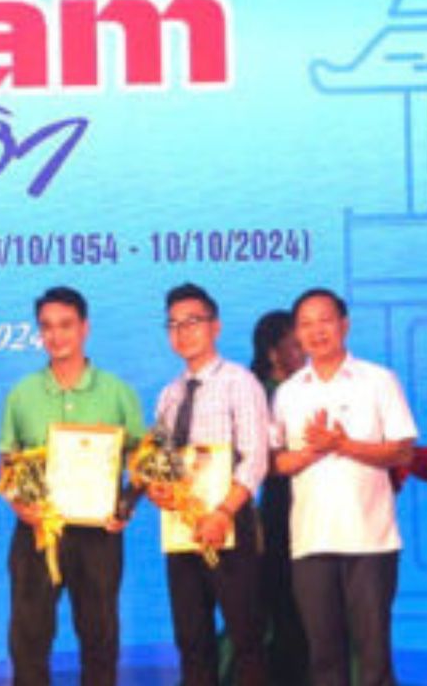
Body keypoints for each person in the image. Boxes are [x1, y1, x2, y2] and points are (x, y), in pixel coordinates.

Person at [0, 284, 145, 686]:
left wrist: (126, 506)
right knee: (28, 641)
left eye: (65, 325)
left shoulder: (117, 392)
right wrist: (20, 506)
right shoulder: (22, 394)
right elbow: (7, 462)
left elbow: (142, 462)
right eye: (46, 326)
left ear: (84, 328)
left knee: (99, 639)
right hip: (37, 532)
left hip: (99, 534)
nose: (56, 335)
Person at [270, 288, 417, 686]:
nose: (316, 331)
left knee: (373, 658)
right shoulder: (288, 392)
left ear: (344, 325)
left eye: (325, 320)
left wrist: (343, 445)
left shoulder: (378, 380)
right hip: (311, 542)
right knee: (323, 658)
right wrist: (310, 453)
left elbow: (403, 451)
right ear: (296, 333)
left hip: (370, 541)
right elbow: (276, 462)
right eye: (306, 324)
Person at [148, 283, 271, 686]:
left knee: (246, 638)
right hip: (182, 529)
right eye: (173, 325)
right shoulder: (169, 395)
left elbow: (255, 458)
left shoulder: (240, 382)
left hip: (230, 525)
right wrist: (156, 486)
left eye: (192, 322)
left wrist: (223, 512)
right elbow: (162, 462)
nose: (182, 332)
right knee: (191, 640)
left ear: (215, 326)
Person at [250, 310, 308, 686]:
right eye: (296, 345)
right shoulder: (261, 393)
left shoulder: (312, 387)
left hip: (315, 504)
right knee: (285, 600)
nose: (305, 352)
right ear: (273, 353)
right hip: (280, 507)